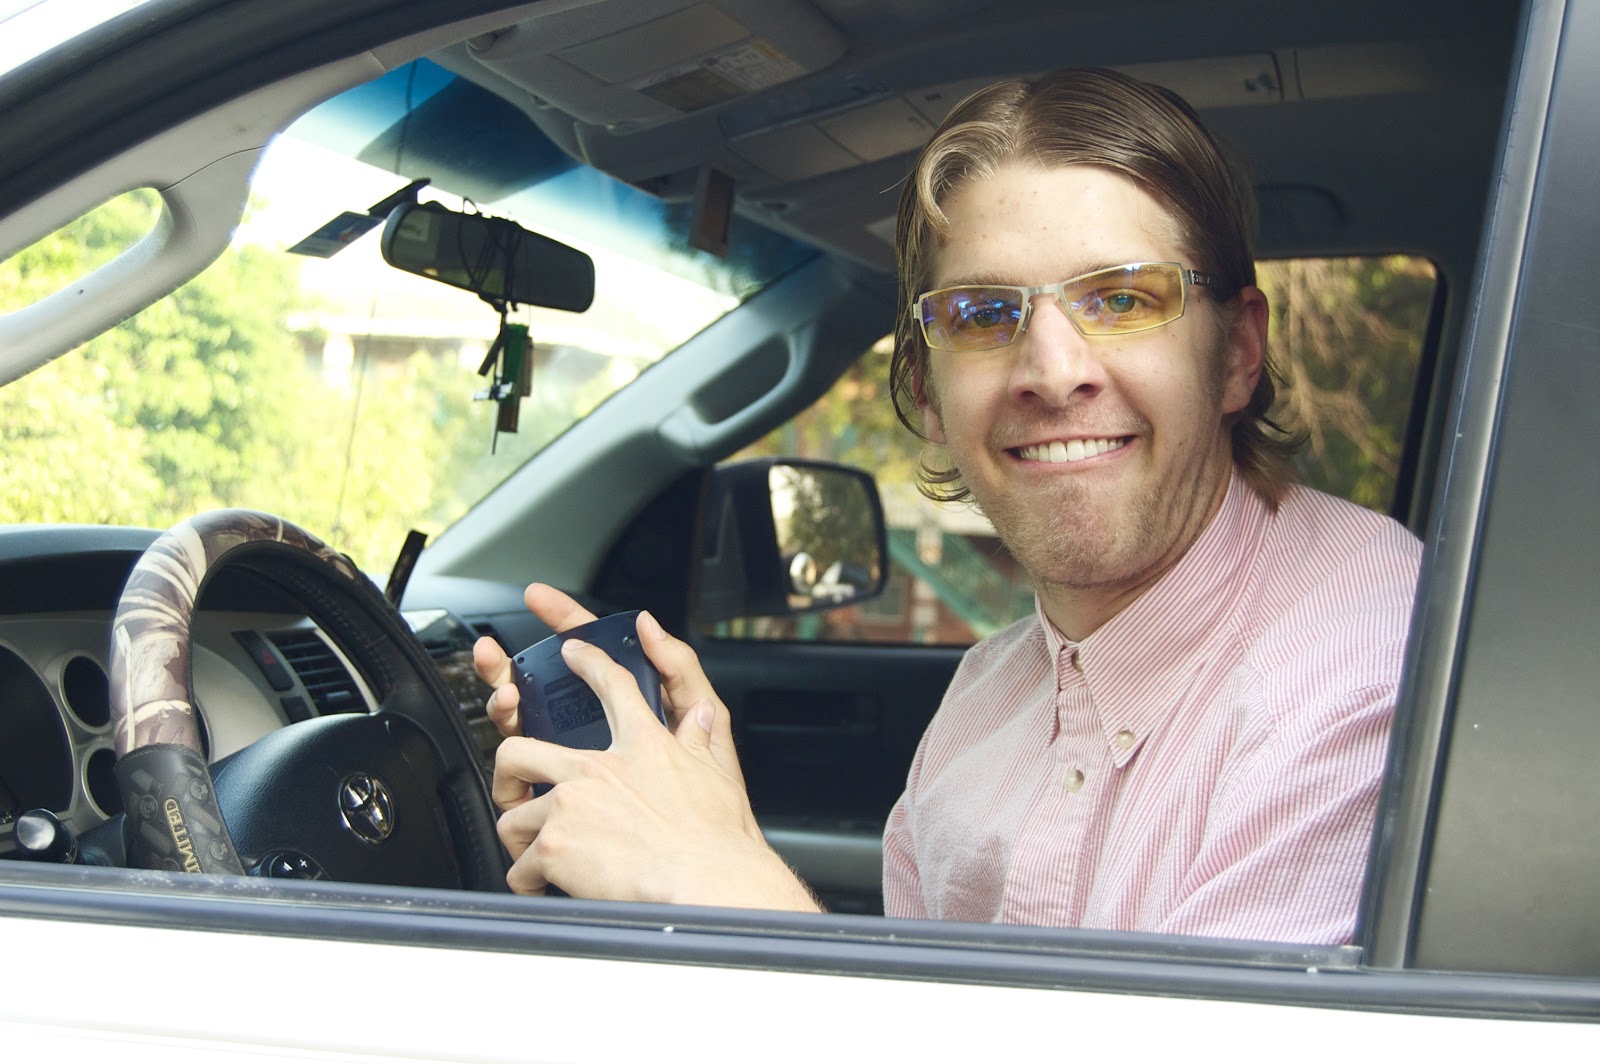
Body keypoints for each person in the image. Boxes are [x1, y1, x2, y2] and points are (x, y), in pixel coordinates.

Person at [474, 68, 1421, 944]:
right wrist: (696, 834)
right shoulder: (983, 699)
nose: (1054, 372)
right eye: (981, 314)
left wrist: (716, 880)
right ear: (927, 393)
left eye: (1124, 299)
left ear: (1238, 355)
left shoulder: (1372, 675)